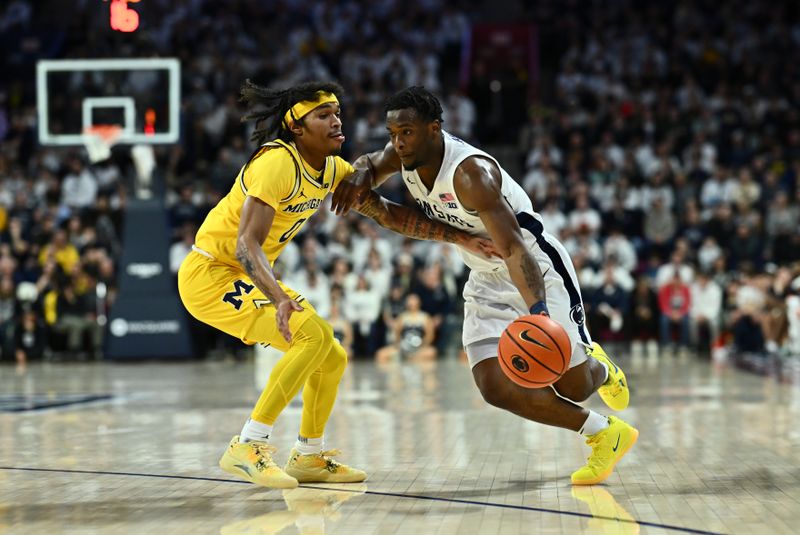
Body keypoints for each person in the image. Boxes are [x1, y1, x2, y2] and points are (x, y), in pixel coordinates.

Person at [178, 80, 497, 490]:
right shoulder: (276, 162)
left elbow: (387, 215)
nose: (336, 121)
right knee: (308, 336)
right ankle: (248, 445)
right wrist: (278, 298)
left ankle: (308, 455)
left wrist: (459, 236)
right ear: (297, 127)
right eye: (323, 115)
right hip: (210, 274)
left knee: (332, 355)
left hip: (245, 274)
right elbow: (245, 244)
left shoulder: (332, 170)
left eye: (337, 113)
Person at [332, 86, 637, 485]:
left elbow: (513, 249)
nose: (398, 142)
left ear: (434, 128)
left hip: (534, 267)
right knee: (494, 385)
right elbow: (371, 164)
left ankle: (599, 365)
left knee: (574, 384)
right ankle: (603, 432)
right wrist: (358, 174)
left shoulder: (472, 174)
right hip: (484, 275)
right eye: (392, 134)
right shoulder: (403, 155)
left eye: (406, 132)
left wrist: (539, 314)